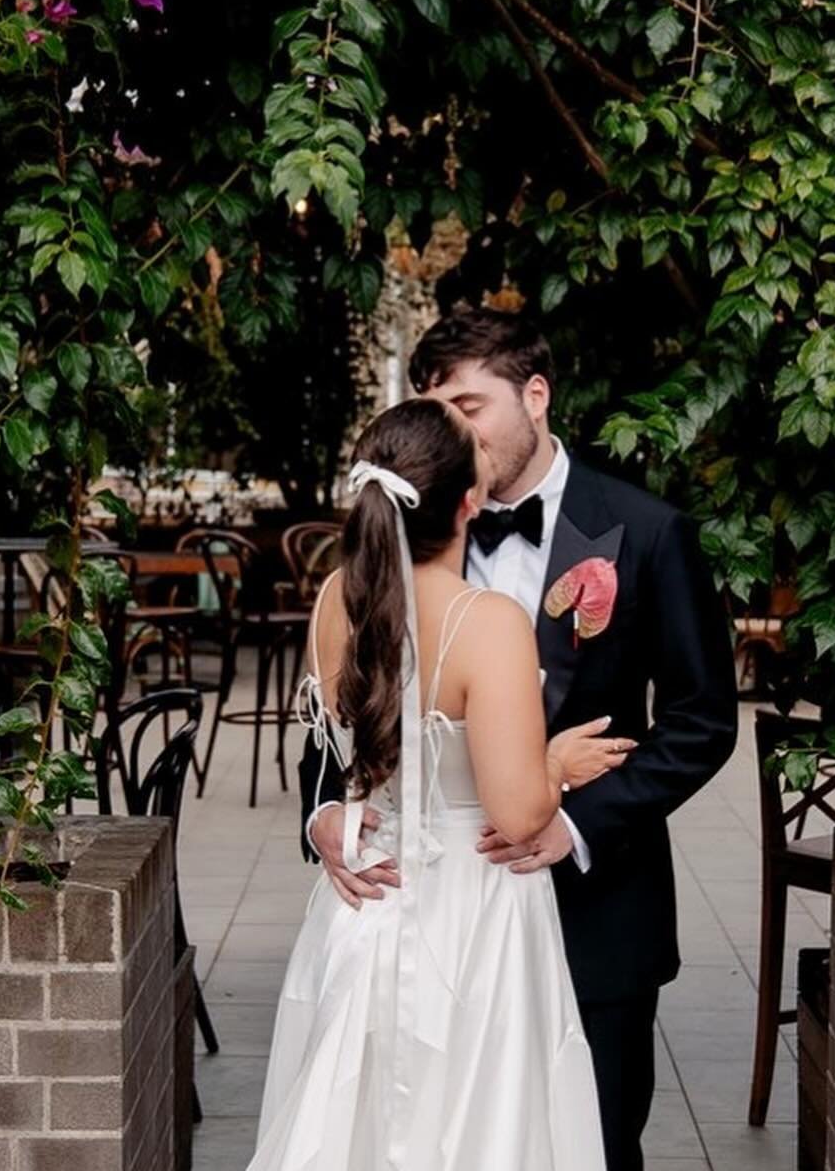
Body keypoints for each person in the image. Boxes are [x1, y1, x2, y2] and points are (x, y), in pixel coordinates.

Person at [303, 309, 739, 1171]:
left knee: (592, 1146)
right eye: (436, 408)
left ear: (536, 396)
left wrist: (573, 825)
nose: (452, 431)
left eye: (470, 406)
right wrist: (324, 810)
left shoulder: (648, 532)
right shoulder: (393, 551)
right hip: (422, 919)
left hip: (596, 913)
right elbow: (347, 714)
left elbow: (703, 720)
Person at [251, 396, 634, 1171]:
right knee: (476, 1125)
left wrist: (332, 812)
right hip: (474, 913)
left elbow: (339, 752)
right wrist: (557, 765)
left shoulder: (333, 600)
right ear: (468, 502)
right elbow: (519, 812)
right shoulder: (486, 622)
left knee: (356, 1123)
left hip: (365, 902)